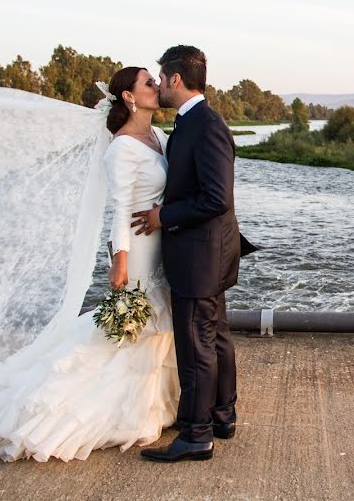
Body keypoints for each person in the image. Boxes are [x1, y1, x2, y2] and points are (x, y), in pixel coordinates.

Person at [0, 66, 181, 461]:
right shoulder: (121, 147)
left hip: (161, 242)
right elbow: (120, 210)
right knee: (136, 325)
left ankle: (158, 403)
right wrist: (119, 262)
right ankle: (89, 409)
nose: (156, 87)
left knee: (160, 326)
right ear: (128, 96)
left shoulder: (158, 136)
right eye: (148, 82)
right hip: (138, 250)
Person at [132, 45, 251, 462]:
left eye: (161, 79)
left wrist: (165, 215)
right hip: (208, 253)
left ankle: (197, 435)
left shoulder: (206, 125)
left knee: (196, 342)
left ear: (176, 80)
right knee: (215, 334)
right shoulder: (191, 123)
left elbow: (217, 198)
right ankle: (222, 414)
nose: (160, 86)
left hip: (201, 254)